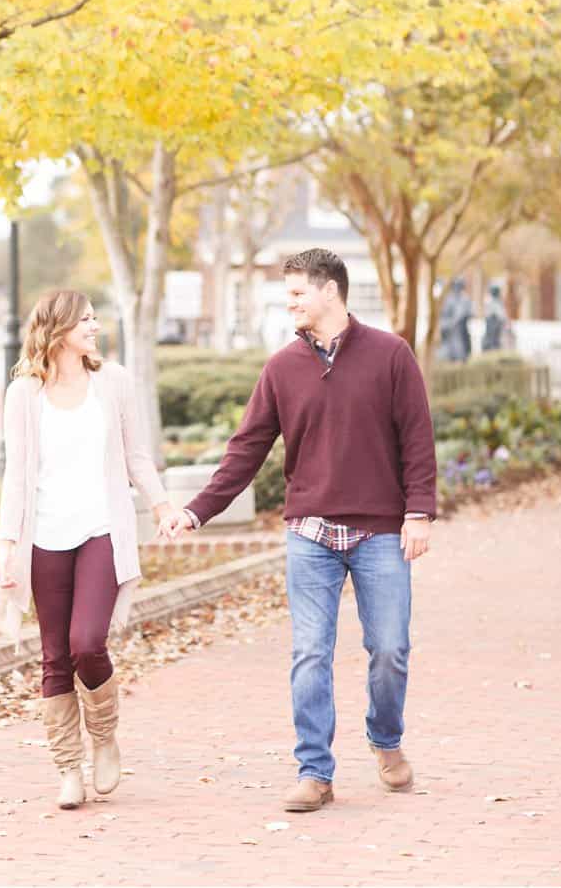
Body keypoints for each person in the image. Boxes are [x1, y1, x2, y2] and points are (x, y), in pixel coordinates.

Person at [159, 248, 437, 813]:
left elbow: (417, 437)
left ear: (329, 291)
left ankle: (386, 740)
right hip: (310, 532)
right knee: (311, 652)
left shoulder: (390, 355)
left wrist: (419, 511)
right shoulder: (282, 368)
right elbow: (246, 451)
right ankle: (315, 771)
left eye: (296, 294)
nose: (289, 304)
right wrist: (196, 511)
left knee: (390, 648)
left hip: (381, 530)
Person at [0, 289, 172, 811]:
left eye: (95, 318)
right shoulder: (25, 393)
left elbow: (136, 454)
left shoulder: (111, 382)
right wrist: (7, 546)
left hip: (100, 530)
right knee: (54, 657)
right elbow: (17, 478)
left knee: (88, 643)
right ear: (58, 327)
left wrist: (160, 507)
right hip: (44, 537)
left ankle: (105, 734)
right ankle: (69, 769)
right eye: (86, 319)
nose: (95, 326)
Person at [481, 283, 509, 352]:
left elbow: (502, 314)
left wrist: (504, 321)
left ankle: (494, 350)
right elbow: (499, 313)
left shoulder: (497, 301)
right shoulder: (490, 301)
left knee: (496, 339)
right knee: (491, 339)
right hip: (492, 321)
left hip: (496, 322)